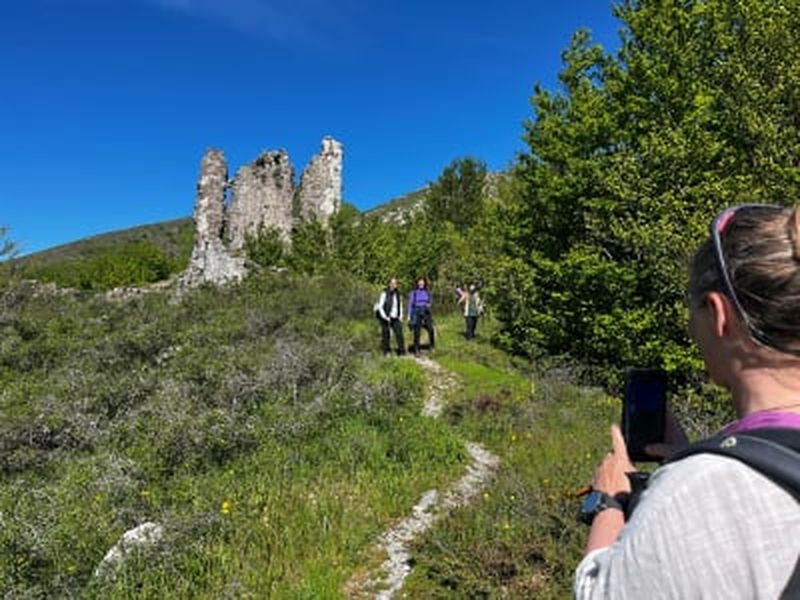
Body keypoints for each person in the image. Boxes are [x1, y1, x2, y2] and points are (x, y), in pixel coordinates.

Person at [575, 204, 800, 598]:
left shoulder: (700, 492)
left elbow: (600, 592)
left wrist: (607, 501)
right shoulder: (710, 480)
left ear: (718, 315)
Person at [374, 277, 405, 356]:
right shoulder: (384, 293)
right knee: (386, 334)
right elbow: (380, 306)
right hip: (386, 316)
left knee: (399, 333)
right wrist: (385, 317)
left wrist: (400, 317)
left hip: (395, 317)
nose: (393, 285)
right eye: (392, 283)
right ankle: (386, 351)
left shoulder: (398, 294)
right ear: (389, 284)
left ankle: (402, 351)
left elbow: (400, 306)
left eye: (395, 283)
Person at [408, 277, 435, 356]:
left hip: (426, 311)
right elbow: (410, 304)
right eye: (420, 282)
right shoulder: (414, 292)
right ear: (417, 283)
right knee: (417, 331)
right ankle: (416, 349)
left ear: (424, 283)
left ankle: (432, 346)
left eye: (422, 282)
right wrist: (409, 316)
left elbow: (430, 301)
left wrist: (429, 305)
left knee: (431, 329)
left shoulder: (427, 292)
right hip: (417, 312)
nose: (421, 283)